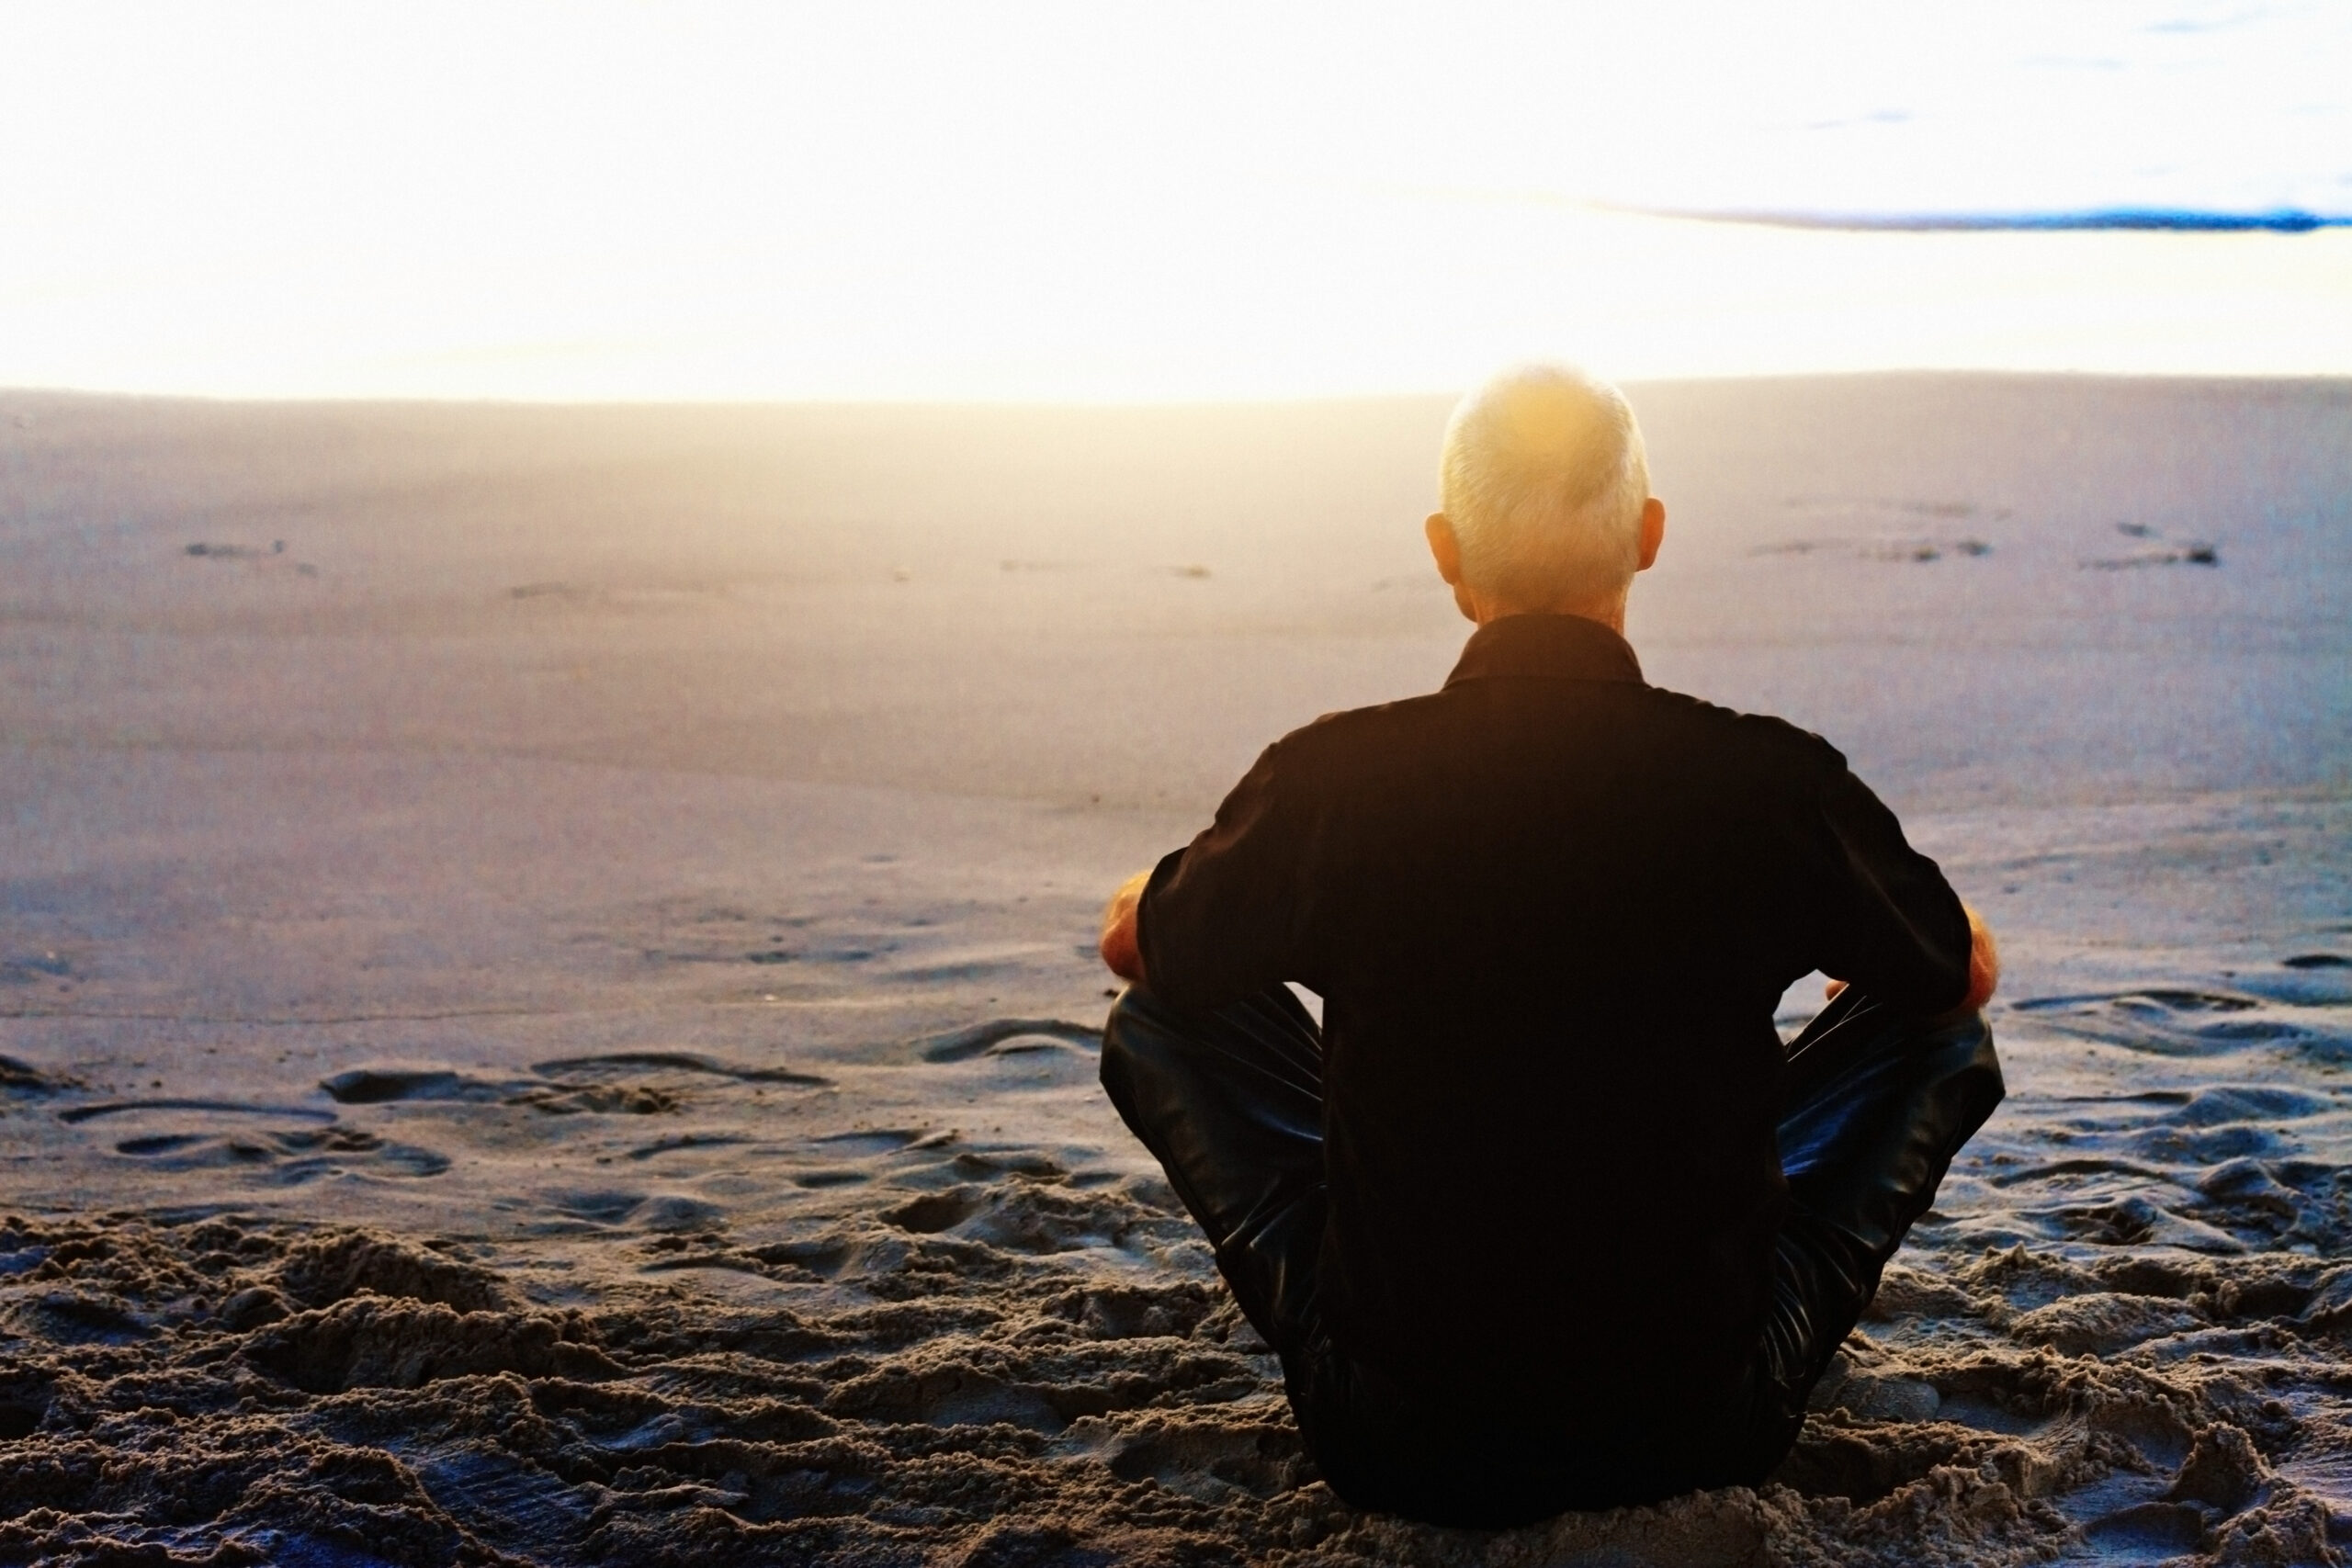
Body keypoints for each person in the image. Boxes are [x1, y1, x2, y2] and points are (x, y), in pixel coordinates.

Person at [1092, 365, 2004, 1528]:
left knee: (1166, 1008)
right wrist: (1930, 938)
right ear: (1649, 537)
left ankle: (1370, 1296)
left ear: (1443, 551)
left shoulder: (1338, 780)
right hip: (1698, 1429)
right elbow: (1954, 978)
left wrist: (1157, 896)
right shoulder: (1763, 782)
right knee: (1936, 1031)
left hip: (1395, 1436)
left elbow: (1140, 950)